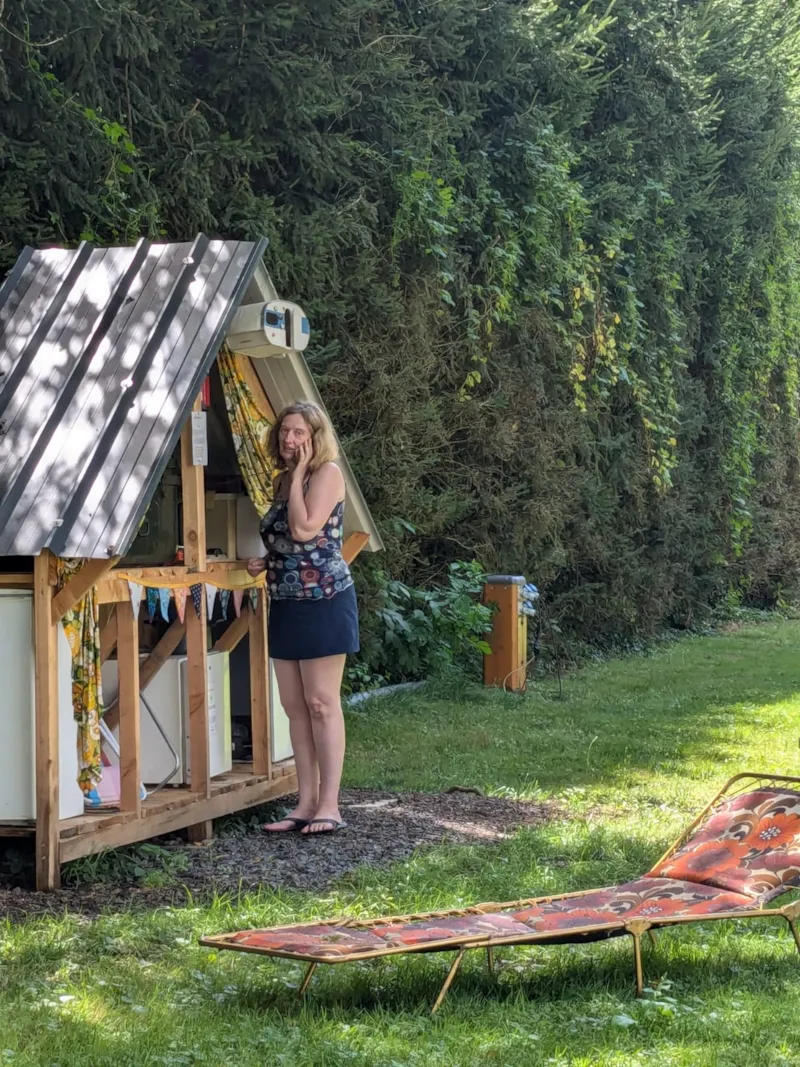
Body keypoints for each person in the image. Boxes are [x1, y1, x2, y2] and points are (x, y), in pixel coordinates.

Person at [247, 401, 359, 835]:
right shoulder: (282, 481)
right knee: (294, 707)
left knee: (321, 703)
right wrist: (265, 561)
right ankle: (305, 803)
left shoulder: (327, 474)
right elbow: (287, 542)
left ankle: (330, 805)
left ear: (315, 437)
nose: (289, 440)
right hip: (287, 599)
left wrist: (297, 476)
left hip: (325, 599)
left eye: (299, 433)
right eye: (285, 433)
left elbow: (306, 529)